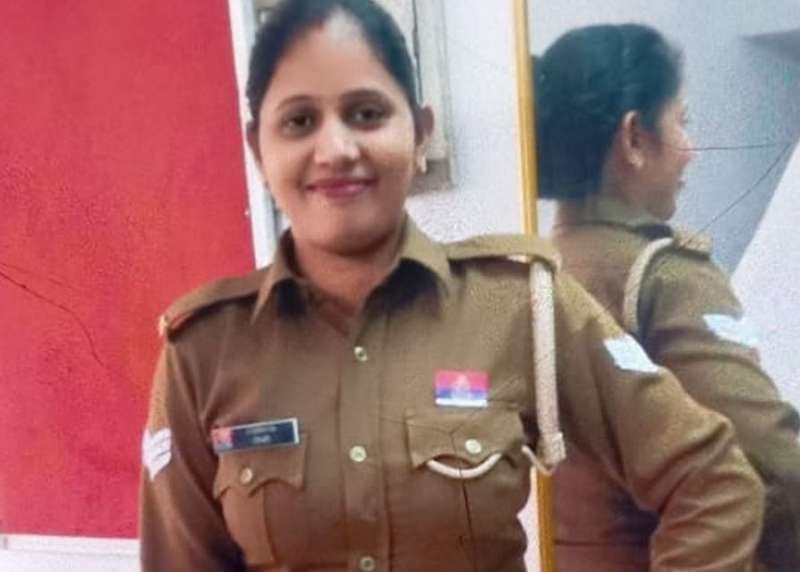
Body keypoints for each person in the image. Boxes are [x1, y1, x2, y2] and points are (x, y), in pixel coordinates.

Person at [138, 3, 764, 570]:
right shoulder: (204, 353)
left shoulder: (517, 304)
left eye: (366, 113)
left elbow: (713, 479)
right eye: (300, 121)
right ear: (258, 149)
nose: (336, 149)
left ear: (420, 131)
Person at [535, 23, 800, 572]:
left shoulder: (530, 274)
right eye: (682, 122)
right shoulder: (664, 275)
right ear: (634, 138)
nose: (691, 151)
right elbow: (770, 467)